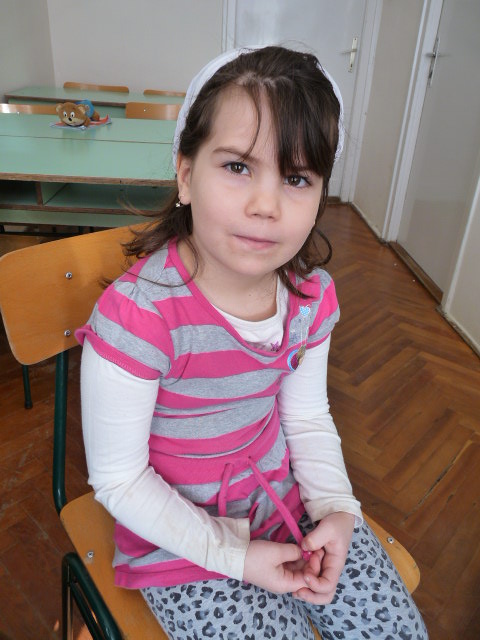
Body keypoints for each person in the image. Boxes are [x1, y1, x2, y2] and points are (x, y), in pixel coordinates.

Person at [76, 46, 428, 640]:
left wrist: (336, 508)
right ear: (185, 174)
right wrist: (235, 556)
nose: (266, 205)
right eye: (238, 166)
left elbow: (307, 417)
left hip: (285, 505)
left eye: (296, 178)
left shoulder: (310, 299)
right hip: (181, 542)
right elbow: (120, 480)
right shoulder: (139, 318)